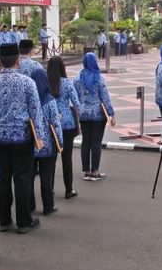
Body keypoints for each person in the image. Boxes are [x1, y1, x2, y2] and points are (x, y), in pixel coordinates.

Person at [0, 43, 44, 234]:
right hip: (22, 137)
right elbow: (35, 112)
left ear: (0, 61)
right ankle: (23, 221)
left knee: (2, 179)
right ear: (18, 61)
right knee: (22, 179)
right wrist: (40, 137)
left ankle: (4, 220)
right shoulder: (27, 82)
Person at [74, 53, 116, 181]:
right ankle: (95, 171)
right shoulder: (98, 78)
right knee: (96, 143)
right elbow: (105, 97)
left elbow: (76, 97)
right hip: (98, 115)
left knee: (86, 141)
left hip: (83, 114)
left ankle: (86, 171)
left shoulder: (77, 78)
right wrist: (111, 113)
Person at [30, 68, 62, 215]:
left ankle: (30, 205)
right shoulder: (50, 100)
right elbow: (55, 123)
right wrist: (60, 143)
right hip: (48, 144)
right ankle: (48, 207)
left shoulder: (28, 99)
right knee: (46, 176)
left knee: (29, 177)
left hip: (31, 143)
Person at [47, 56, 80, 199]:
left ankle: (50, 188)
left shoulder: (46, 84)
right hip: (67, 123)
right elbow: (76, 103)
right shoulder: (67, 83)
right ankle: (69, 189)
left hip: (51, 123)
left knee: (51, 158)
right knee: (67, 158)